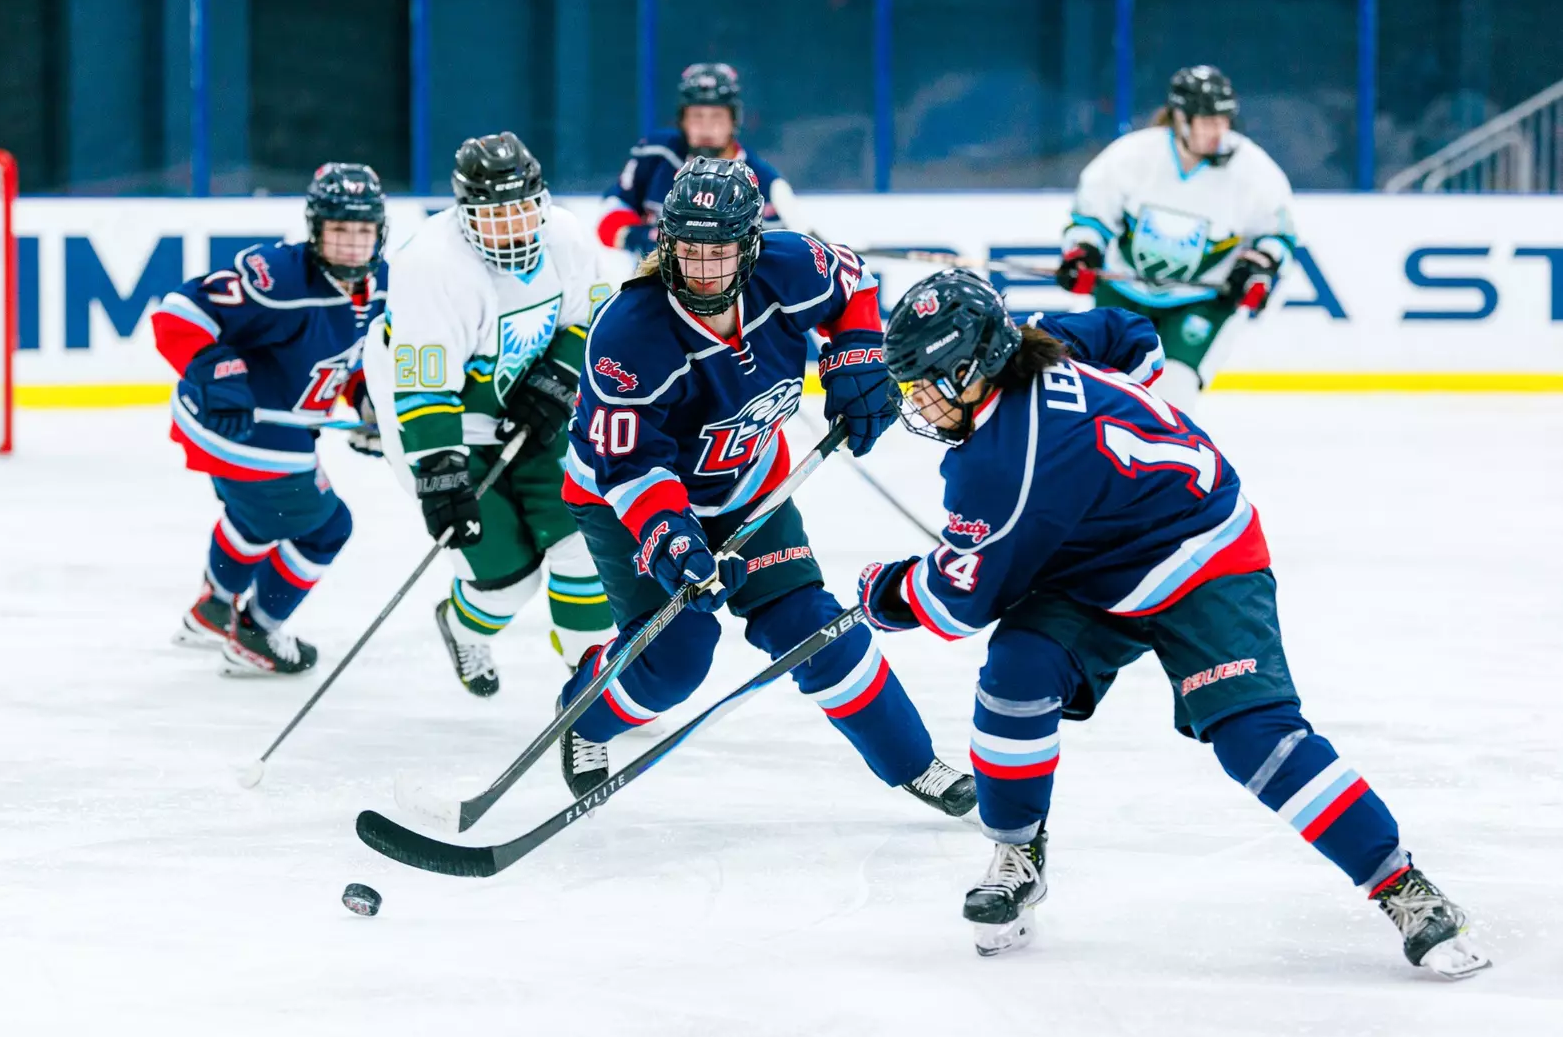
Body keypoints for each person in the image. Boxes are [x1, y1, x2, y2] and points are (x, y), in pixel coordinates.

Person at [857, 268, 1490, 978]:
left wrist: (889, 592)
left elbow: (955, 604)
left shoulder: (1000, 466)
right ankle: (1017, 852)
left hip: (1202, 557)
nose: (918, 403)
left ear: (973, 369)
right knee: (1018, 676)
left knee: (1257, 738)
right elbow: (1131, 334)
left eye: (926, 385)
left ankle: (1400, 884)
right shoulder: (1043, 341)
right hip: (1093, 561)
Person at [553, 155, 975, 819]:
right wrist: (671, 539)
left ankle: (915, 763)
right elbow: (631, 466)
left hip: (748, 485)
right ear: (664, 244)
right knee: (677, 658)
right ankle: (586, 713)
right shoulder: (629, 337)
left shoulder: (790, 267)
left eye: (718, 251)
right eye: (688, 249)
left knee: (813, 626)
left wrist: (856, 360)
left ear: (750, 246)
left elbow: (855, 286)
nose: (701, 268)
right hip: (625, 500)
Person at [361, 132, 614, 696]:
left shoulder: (568, 238)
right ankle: (460, 623)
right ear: (464, 213)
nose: (512, 227)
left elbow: (589, 321)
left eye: (521, 210)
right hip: (440, 425)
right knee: (507, 582)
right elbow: (424, 390)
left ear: (540, 201)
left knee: (584, 538)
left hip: (535, 402)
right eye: (493, 216)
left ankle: (592, 679)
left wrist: (559, 376)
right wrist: (442, 473)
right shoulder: (429, 265)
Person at [150, 163, 388, 674]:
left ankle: (213, 610)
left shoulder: (382, 284)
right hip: (239, 426)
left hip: (268, 428)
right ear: (315, 229)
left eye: (362, 232)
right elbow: (177, 313)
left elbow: (342, 359)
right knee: (327, 529)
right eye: (339, 231)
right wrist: (221, 374)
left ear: (379, 233)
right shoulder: (277, 276)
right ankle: (255, 635)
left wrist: (367, 401)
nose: (351, 245)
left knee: (255, 521)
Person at [1056, 65, 1297, 410]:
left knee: (1174, 398)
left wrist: (1257, 266)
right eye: (1209, 121)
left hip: (1200, 301)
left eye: (1224, 120)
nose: (1220, 130)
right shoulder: (1133, 156)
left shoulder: (1254, 172)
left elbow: (1278, 236)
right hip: (1123, 292)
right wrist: (1083, 253)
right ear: (1182, 119)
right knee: (1101, 394)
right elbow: (1091, 214)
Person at [595, 62, 808, 260]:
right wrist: (642, 237)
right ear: (682, 120)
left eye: (716, 116)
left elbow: (775, 257)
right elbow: (609, 217)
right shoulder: (655, 154)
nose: (706, 127)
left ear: (734, 120)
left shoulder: (764, 184)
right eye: (697, 116)